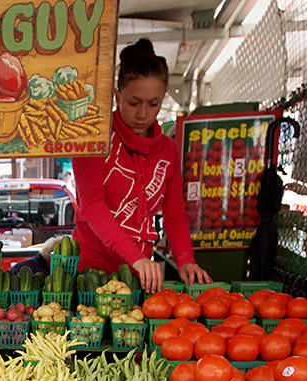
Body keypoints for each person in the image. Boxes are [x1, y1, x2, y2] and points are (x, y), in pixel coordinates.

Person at [72, 38, 211, 293]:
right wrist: (134, 256)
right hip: (89, 275)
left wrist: (185, 259)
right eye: (134, 103)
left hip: (139, 276)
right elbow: (91, 205)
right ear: (117, 96)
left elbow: (174, 213)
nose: (143, 114)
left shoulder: (167, 149)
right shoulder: (93, 140)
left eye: (154, 104)